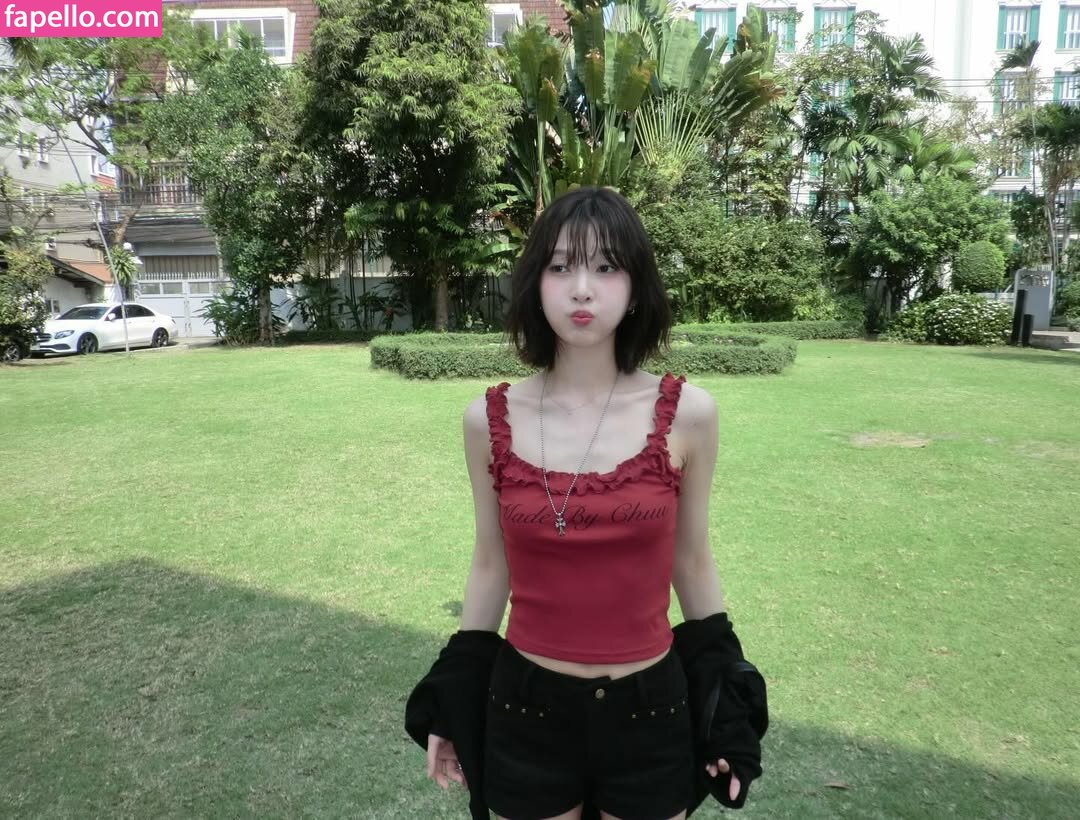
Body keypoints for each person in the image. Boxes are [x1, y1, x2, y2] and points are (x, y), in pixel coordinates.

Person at [405, 187, 766, 820]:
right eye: (561, 266)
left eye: (605, 267)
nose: (581, 289)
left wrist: (724, 692)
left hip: (651, 710)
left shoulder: (690, 415)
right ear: (535, 283)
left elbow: (692, 561)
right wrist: (456, 684)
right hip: (526, 708)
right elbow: (491, 563)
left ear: (636, 288)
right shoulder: (486, 420)